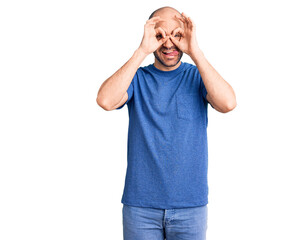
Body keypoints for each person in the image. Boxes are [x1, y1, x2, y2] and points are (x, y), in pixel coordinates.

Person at [96, 6, 236, 240]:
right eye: (160, 35)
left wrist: (195, 51)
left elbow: (228, 103)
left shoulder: (197, 76)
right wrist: (141, 51)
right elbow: (105, 100)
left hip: (190, 206)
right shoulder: (137, 79)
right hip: (141, 207)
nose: (169, 43)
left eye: (176, 35)